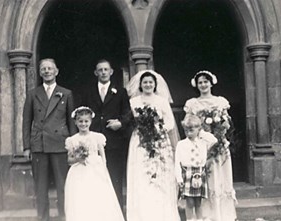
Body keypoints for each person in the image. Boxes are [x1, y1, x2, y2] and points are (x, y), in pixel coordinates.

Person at [22, 58, 77, 221]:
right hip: (39, 144)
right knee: (41, 186)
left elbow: (70, 120)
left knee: (62, 185)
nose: (47, 71)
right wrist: (26, 146)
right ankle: (43, 218)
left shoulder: (66, 93)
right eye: (43, 69)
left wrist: (73, 144)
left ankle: (64, 216)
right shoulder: (33, 94)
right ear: (40, 72)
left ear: (56, 71)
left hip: (60, 144)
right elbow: (26, 121)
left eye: (50, 68)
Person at [126, 70, 180, 221]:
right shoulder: (133, 102)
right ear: (140, 85)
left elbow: (169, 122)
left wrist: (157, 129)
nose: (148, 85)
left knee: (160, 173)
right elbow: (129, 121)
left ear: (155, 84)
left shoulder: (161, 101)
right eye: (145, 82)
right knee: (142, 174)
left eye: (151, 82)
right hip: (140, 141)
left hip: (159, 141)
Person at [183, 70, 237, 221]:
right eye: (200, 82)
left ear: (211, 82)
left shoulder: (220, 102)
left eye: (205, 81)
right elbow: (188, 125)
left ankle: (221, 214)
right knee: (204, 177)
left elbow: (228, 123)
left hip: (219, 145)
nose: (203, 85)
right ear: (196, 85)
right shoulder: (192, 104)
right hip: (200, 145)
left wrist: (220, 131)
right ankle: (205, 215)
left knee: (219, 177)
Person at [81, 59, 132, 209]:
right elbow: (83, 112)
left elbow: (128, 113)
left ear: (111, 72)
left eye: (106, 69)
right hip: (93, 140)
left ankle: (116, 212)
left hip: (114, 141)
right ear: (96, 73)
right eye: (100, 70)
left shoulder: (121, 91)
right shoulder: (88, 91)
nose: (103, 72)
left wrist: (120, 123)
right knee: (95, 177)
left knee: (115, 177)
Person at [64, 106, 125, 221]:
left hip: (95, 170)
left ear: (91, 121)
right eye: (80, 121)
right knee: (80, 196)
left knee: (97, 196)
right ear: (75, 122)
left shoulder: (97, 137)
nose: (83, 124)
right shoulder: (72, 140)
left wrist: (103, 171)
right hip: (79, 171)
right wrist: (78, 158)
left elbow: (103, 156)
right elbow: (69, 160)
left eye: (86, 121)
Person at [175, 115, 217, 221]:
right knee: (189, 202)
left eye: (191, 130)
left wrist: (201, 132)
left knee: (198, 202)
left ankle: (199, 219)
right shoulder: (181, 144)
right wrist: (179, 178)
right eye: (186, 130)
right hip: (187, 173)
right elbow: (177, 163)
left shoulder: (203, 142)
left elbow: (214, 140)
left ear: (198, 129)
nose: (188, 133)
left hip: (199, 173)